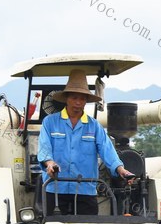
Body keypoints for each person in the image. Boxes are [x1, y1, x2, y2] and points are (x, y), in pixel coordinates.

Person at [37, 69, 133, 215]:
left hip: (85, 189)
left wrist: (121, 169)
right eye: (74, 98)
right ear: (66, 99)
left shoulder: (93, 126)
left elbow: (107, 150)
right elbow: (44, 148)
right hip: (55, 189)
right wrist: (50, 164)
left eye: (82, 99)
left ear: (86, 101)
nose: (78, 102)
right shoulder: (50, 122)